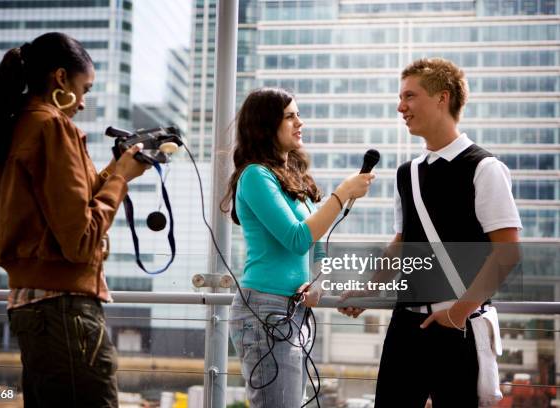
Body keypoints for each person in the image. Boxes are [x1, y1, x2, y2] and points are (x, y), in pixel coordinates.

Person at [339, 58, 522, 407]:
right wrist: (367, 290)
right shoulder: (406, 173)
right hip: (405, 327)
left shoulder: (484, 168)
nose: (400, 106)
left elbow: (508, 253)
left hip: (458, 326)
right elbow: (403, 241)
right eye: (400, 97)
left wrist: (458, 313)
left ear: (442, 97)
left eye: (410, 96)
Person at [0, 32, 148, 407]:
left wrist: (117, 171)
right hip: (66, 313)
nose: (84, 104)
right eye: (84, 89)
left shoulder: (17, 125)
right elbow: (82, 239)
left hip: (30, 309)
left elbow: (57, 210)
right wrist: (120, 180)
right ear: (60, 79)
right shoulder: (53, 127)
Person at [221, 87, 375, 406]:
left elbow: (314, 243)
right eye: (290, 116)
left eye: (298, 115)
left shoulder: (289, 178)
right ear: (266, 125)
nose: (299, 123)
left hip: (293, 310)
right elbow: (297, 238)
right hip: (264, 309)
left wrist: (317, 284)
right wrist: (342, 193)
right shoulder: (254, 176)